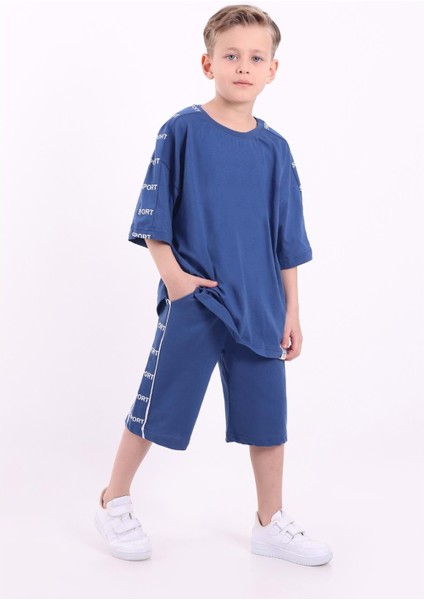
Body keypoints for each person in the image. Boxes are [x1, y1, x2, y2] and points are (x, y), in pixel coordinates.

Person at [94, 3, 333, 567]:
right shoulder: (181, 131)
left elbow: (287, 238)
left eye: (256, 57)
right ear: (209, 64)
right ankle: (113, 501)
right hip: (197, 299)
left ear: (272, 69)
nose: (243, 66)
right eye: (231, 55)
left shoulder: (275, 149)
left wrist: (292, 311)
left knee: (267, 420)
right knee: (158, 405)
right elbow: (153, 216)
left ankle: (270, 522)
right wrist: (175, 280)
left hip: (260, 305)